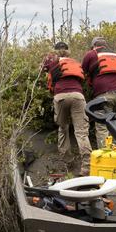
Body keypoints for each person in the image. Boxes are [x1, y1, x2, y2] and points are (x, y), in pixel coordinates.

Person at [41, 41, 91, 176]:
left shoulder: (52, 62)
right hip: (78, 96)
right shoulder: (74, 62)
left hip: (60, 96)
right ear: (68, 51)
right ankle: (87, 166)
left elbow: (42, 70)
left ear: (54, 51)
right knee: (81, 132)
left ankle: (66, 162)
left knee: (63, 129)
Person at [81, 36, 116, 147]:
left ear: (93, 46)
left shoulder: (91, 54)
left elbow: (82, 72)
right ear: (105, 45)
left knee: (102, 126)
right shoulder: (115, 55)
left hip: (105, 95)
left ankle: (105, 159)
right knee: (114, 125)